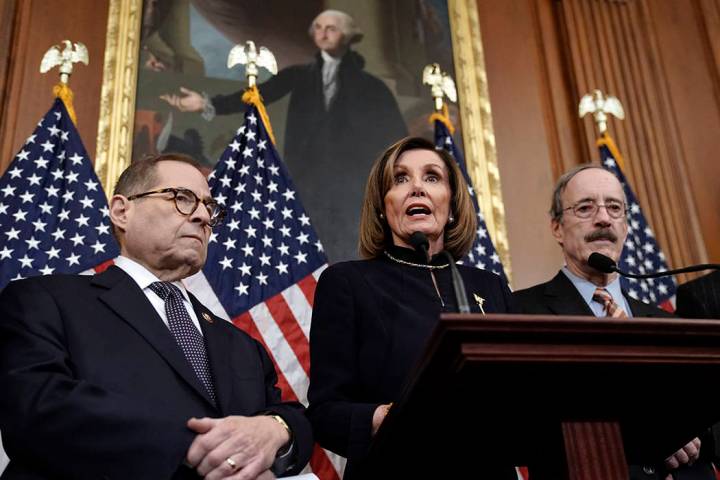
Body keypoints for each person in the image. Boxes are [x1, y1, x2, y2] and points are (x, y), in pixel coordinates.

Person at [0, 153, 312, 479]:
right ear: (122, 211)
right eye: (182, 198)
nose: (204, 216)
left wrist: (274, 429)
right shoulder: (45, 300)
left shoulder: (240, 344)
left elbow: (289, 415)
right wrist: (191, 446)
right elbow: (36, 405)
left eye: (209, 206)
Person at [306, 137, 517, 479]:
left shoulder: (489, 286)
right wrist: (390, 417)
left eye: (432, 177)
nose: (416, 188)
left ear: (451, 204)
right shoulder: (347, 283)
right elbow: (326, 414)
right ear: (382, 205)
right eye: (400, 179)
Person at [513, 164, 715, 480]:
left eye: (614, 208)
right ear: (557, 228)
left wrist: (690, 430)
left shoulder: (665, 321)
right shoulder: (520, 312)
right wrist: (658, 427)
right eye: (585, 208)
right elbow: (532, 413)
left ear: (625, 227)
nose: (604, 218)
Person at [160, 9, 407, 262]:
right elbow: (259, 93)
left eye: (331, 28)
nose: (322, 33)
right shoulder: (300, 75)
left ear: (347, 36)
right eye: (319, 27)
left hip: (352, 186)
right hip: (308, 182)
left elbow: (396, 136)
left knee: (351, 250)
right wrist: (205, 103)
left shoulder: (371, 86)